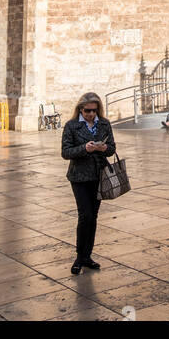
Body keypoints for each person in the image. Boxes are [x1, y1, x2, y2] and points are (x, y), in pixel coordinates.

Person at [61, 92, 116, 276]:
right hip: (79, 177)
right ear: (80, 109)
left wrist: (104, 148)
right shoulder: (72, 125)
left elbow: (112, 148)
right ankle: (79, 256)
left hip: (99, 176)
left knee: (93, 217)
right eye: (87, 111)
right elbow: (66, 152)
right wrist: (84, 148)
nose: (91, 114)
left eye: (94, 111)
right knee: (85, 215)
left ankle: (87, 256)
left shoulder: (104, 124)